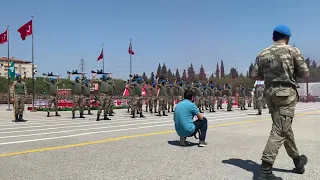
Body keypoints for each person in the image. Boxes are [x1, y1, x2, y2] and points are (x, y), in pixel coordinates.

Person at [251, 25, 309, 180]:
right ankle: (265, 170)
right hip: (285, 94)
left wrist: (271, 76)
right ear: (287, 38)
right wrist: (289, 74)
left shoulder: (262, 53)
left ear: (273, 37)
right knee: (280, 129)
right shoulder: (292, 51)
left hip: (269, 94)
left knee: (283, 127)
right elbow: (305, 73)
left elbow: (254, 75)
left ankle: (298, 161)